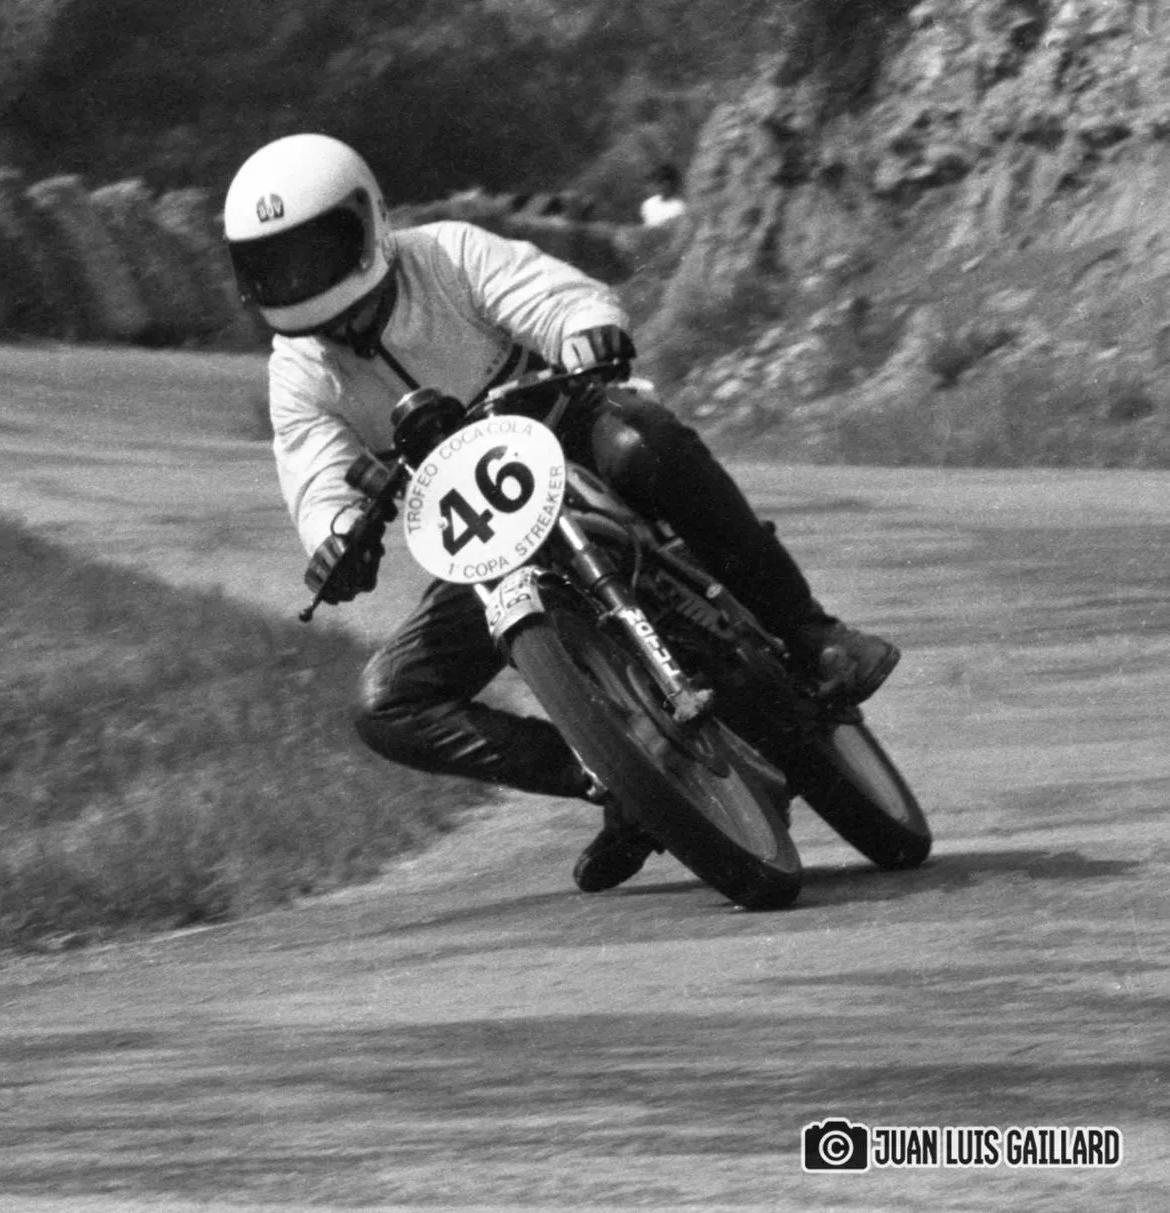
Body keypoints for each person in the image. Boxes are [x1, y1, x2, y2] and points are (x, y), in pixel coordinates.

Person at [222, 133, 899, 893]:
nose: (300, 279)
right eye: (277, 265)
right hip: (487, 538)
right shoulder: (298, 371)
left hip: (569, 436)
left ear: (367, 221)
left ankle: (810, 633)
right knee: (388, 703)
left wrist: (583, 330)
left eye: (315, 253)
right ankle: (620, 782)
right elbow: (315, 471)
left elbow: (548, 294)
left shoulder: (446, 254)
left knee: (646, 440)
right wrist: (335, 536)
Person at [640, 163, 688, 228]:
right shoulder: (648, 205)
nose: (665, 186)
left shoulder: (680, 207)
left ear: (674, 183)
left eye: (667, 182)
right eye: (661, 182)